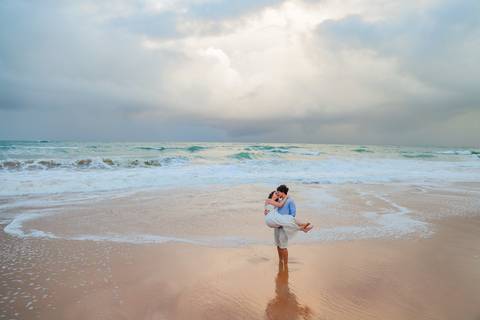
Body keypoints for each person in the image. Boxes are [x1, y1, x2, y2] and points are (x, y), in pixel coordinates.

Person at [264, 185, 312, 266]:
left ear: (282, 192)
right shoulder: (277, 202)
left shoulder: (290, 201)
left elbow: (292, 215)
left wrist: (284, 223)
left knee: (283, 246)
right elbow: (270, 210)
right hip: (277, 224)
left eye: (278, 192)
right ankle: (281, 261)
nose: (277, 194)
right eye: (276, 193)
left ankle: (285, 264)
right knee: (278, 245)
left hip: (284, 225)